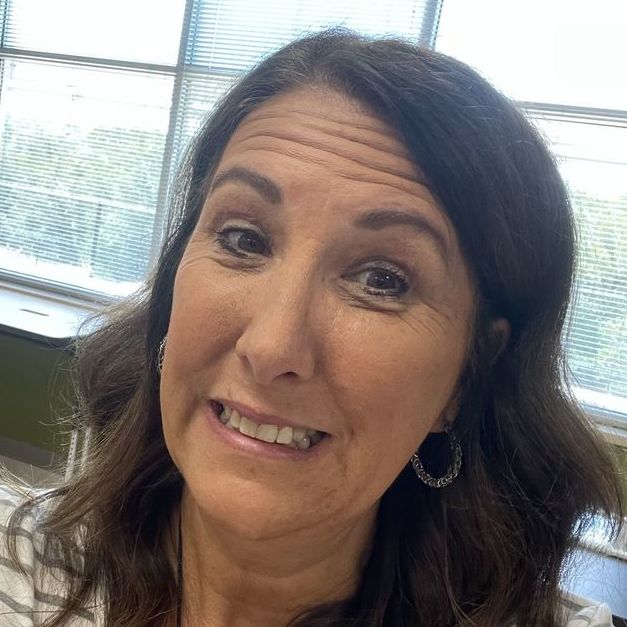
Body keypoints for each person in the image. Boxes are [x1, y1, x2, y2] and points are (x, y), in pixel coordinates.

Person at [0, 29, 624, 627]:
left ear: (467, 376)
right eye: (243, 239)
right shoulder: (19, 565)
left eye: (382, 280)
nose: (271, 346)